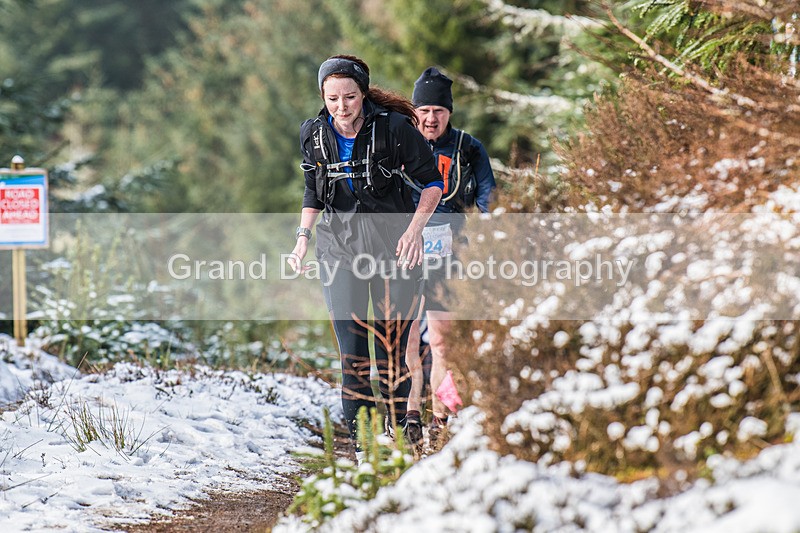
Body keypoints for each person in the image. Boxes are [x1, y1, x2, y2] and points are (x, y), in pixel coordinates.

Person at [288, 55, 443, 461]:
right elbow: (313, 190)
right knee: (354, 355)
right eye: (332, 98)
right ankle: (364, 449)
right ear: (322, 96)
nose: (341, 107)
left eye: (350, 97)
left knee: (392, 350)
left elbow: (432, 183)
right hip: (339, 252)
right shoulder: (313, 134)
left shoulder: (394, 129)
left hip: (395, 249)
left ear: (363, 93)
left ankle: (399, 434)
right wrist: (303, 238)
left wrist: (415, 230)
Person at [404, 66, 496, 445]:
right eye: (424, 110)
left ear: (449, 113)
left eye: (438, 111)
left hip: (450, 257)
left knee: (443, 342)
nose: (431, 118)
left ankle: (440, 419)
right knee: (406, 341)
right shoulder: (399, 144)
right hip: (404, 254)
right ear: (414, 111)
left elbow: (488, 197)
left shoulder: (468, 148)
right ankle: (409, 415)